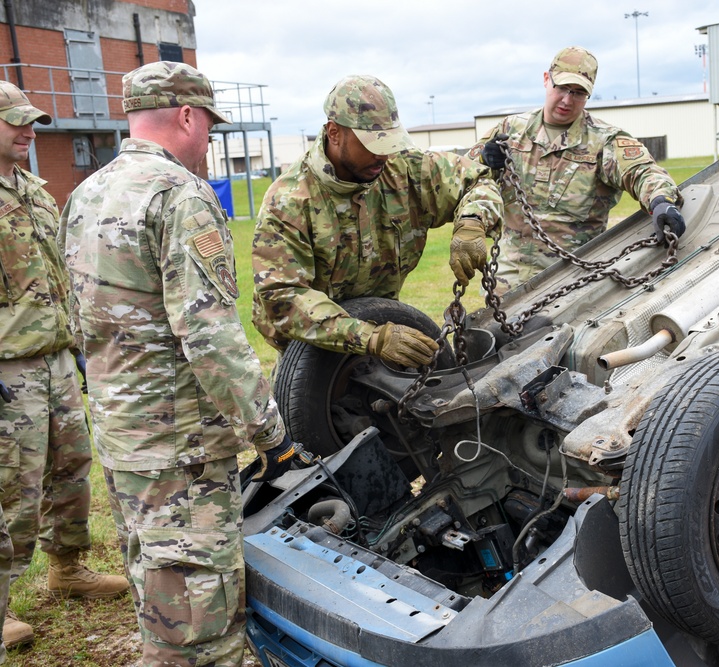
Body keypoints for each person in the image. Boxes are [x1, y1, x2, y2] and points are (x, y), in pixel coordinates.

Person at [60, 62, 300, 666]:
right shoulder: (180, 196)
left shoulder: (86, 192)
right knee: (203, 625)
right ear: (188, 115)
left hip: (122, 435)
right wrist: (272, 436)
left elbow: (77, 315)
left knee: (159, 596)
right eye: (210, 127)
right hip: (180, 446)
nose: (211, 140)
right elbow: (210, 335)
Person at [0, 80, 130, 654]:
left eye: (30, 121)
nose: (29, 130)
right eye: (17, 121)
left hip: (53, 355)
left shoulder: (30, 187)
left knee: (72, 466)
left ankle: (67, 566)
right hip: (8, 367)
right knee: (13, 487)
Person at [252, 74, 502, 366]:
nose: (384, 154)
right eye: (373, 143)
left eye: (390, 141)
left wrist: (472, 222)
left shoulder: (404, 170)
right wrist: (369, 338)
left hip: (384, 327)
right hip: (313, 353)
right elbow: (281, 297)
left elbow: (475, 179)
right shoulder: (290, 201)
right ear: (334, 133)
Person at [470, 46, 686, 294]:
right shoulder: (510, 129)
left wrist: (660, 200)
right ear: (545, 80)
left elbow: (643, 172)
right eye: (561, 88)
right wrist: (485, 161)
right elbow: (464, 176)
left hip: (571, 282)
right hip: (507, 278)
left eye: (578, 93)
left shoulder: (603, 141)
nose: (567, 100)